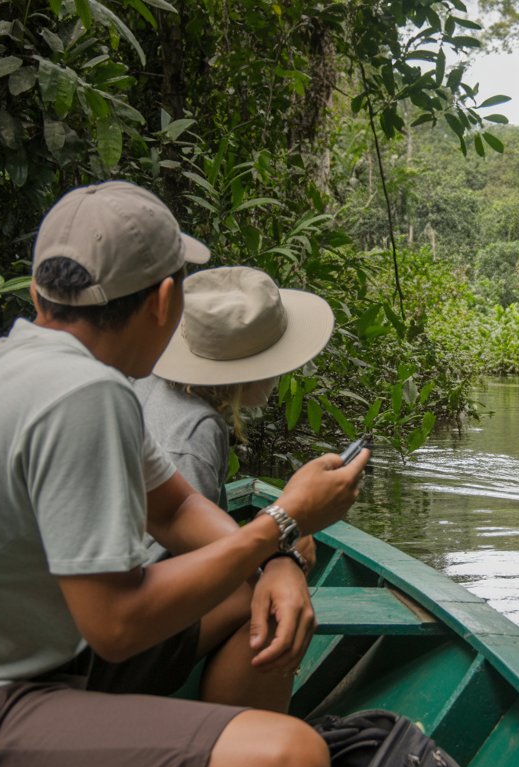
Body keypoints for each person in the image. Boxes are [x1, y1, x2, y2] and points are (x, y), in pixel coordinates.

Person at [0, 181, 368, 767]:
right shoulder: (82, 394)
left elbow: (170, 511)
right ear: (166, 302)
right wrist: (284, 521)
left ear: (38, 295)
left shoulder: (37, 362)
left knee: (254, 600)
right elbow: (118, 624)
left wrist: (275, 559)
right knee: (289, 764)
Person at [91, 264, 336, 712]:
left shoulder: (148, 382)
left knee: (273, 564)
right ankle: (243, 741)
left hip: (102, 607)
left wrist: (273, 542)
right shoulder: (194, 434)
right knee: (265, 602)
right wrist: (277, 559)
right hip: (115, 645)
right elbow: (182, 568)